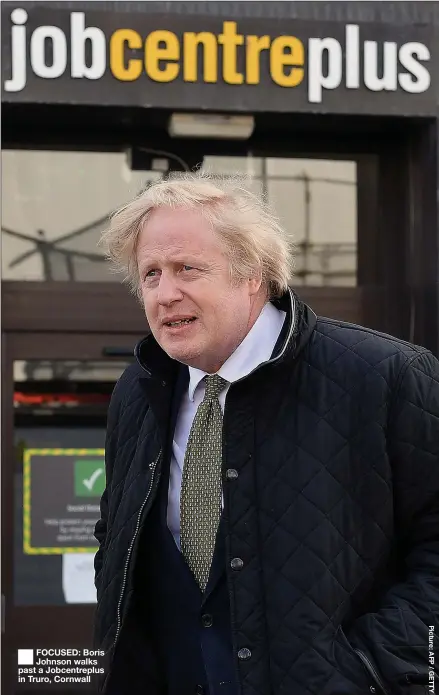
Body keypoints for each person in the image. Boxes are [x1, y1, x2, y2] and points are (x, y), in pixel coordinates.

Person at [93, 171, 439, 695]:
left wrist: (371, 672)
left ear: (252, 272)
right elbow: (114, 536)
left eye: (187, 268)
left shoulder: (387, 375)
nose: (166, 293)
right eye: (151, 274)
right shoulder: (139, 390)